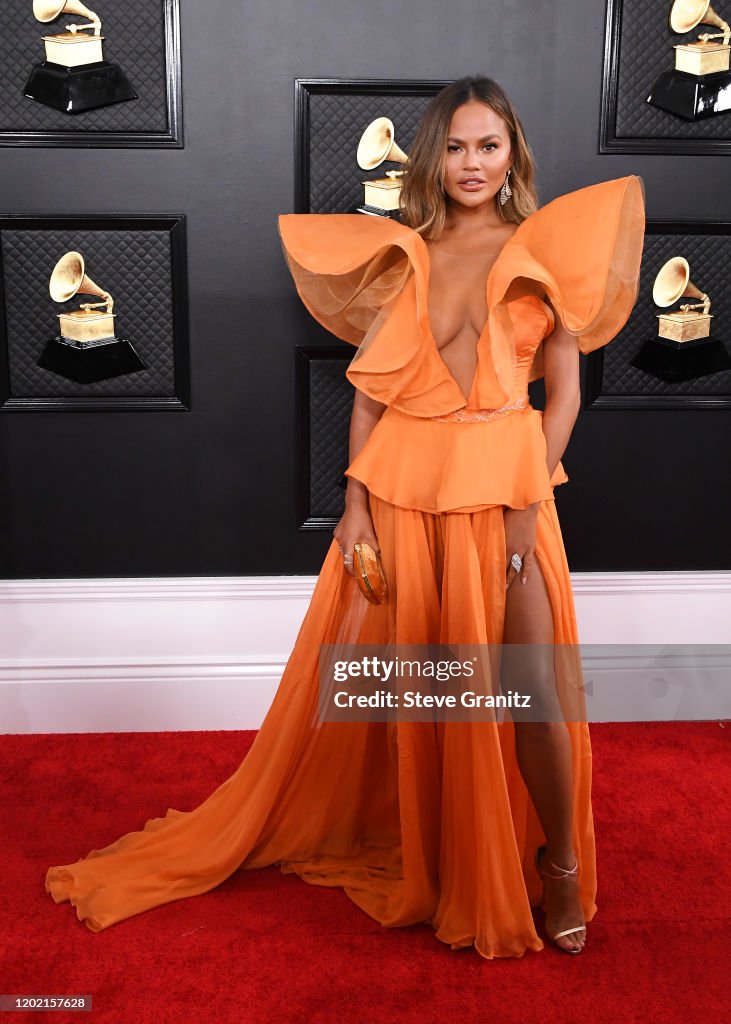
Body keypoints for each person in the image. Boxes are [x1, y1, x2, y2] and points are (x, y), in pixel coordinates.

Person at [45, 75, 645, 960]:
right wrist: (353, 507)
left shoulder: (545, 248)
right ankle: (448, 849)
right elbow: (370, 397)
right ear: (431, 158)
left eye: (487, 144)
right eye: (453, 146)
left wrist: (529, 493)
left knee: (533, 695)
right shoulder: (403, 251)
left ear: (511, 150)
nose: (471, 162)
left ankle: (558, 865)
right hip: (401, 489)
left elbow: (563, 394)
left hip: (505, 491)